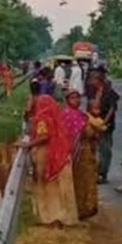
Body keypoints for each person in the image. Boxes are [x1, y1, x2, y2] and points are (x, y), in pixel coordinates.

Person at [20, 94, 78, 226]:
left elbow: (44, 136)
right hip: (57, 155)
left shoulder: (42, 118)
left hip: (44, 155)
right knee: (57, 188)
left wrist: (28, 145)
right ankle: (61, 216)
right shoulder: (55, 119)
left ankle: (49, 216)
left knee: (44, 186)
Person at [66, 90, 102, 220]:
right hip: (74, 153)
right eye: (73, 98)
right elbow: (88, 133)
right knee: (76, 181)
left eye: (78, 98)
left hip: (85, 153)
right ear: (67, 100)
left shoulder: (82, 115)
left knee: (86, 180)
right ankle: (78, 209)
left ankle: (86, 208)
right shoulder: (68, 115)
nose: (76, 100)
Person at [88, 69, 120, 184]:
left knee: (105, 149)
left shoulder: (109, 92)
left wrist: (104, 122)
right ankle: (95, 171)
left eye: (93, 79)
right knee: (94, 148)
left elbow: (112, 108)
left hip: (106, 124)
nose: (91, 81)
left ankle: (102, 173)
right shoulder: (93, 91)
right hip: (94, 123)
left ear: (98, 80)